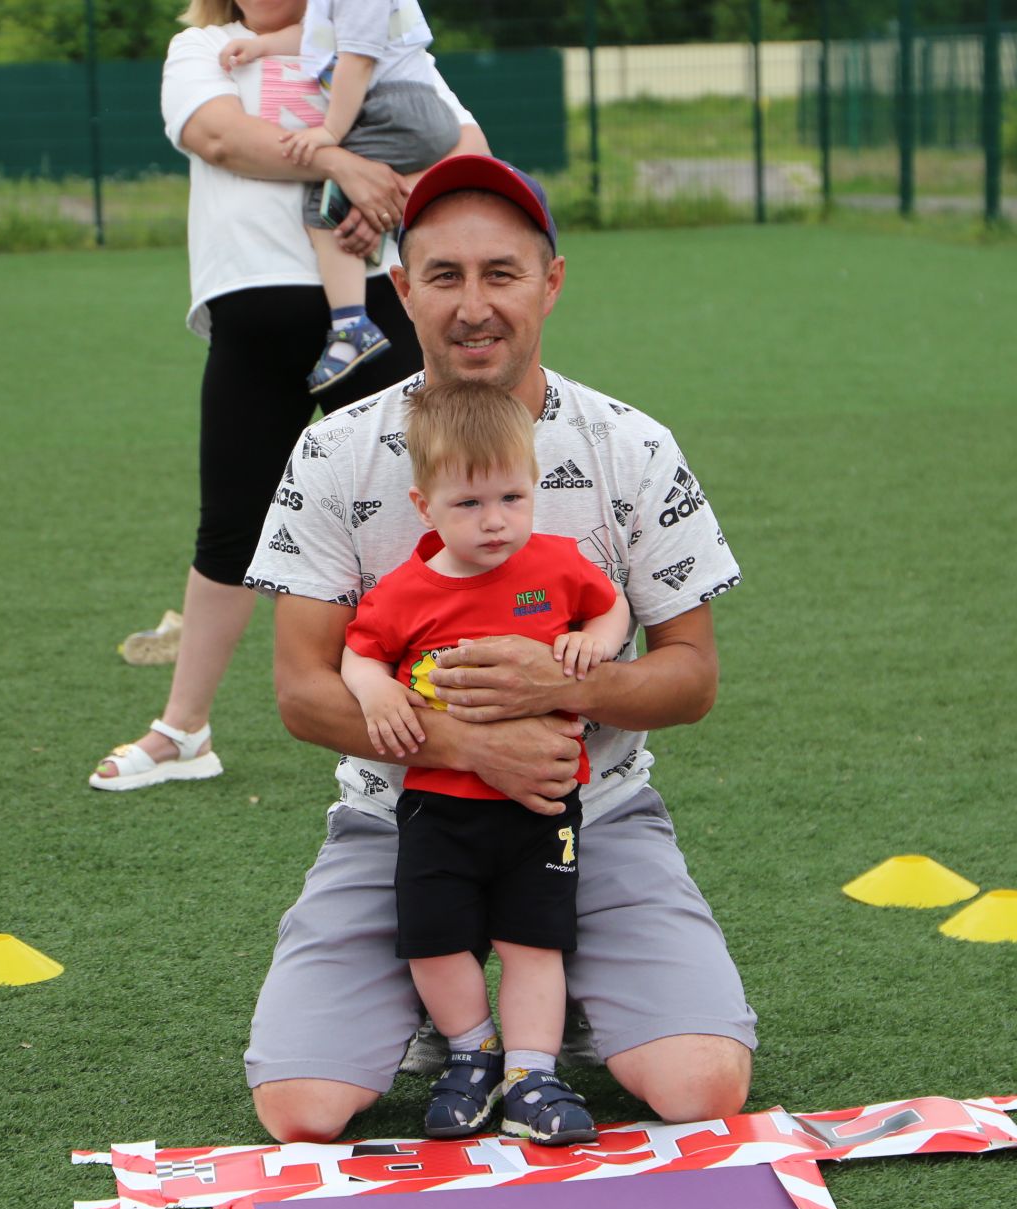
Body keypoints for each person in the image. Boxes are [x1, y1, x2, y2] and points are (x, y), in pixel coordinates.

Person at [239, 153, 756, 1144]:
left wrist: (576, 678)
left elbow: (691, 674)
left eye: (502, 273)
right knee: (300, 1104)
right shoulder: (336, 450)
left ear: (550, 281)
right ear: (401, 289)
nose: (475, 306)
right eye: (443, 276)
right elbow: (305, 692)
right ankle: (464, 1020)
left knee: (703, 1082)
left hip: (590, 815)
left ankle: (556, 1010)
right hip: (398, 819)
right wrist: (463, 744)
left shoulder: (629, 445)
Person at [90, 0, 485, 793]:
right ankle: (184, 730)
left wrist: (393, 188)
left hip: (380, 309)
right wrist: (341, 165)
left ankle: (447, 714)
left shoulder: (365, 32)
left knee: (429, 516)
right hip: (255, 317)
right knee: (232, 525)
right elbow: (219, 137)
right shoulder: (205, 46)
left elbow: (464, 147)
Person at [341, 381, 632, 1144]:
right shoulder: (407, 591)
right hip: (438, 808)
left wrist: (597, 641)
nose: (495, 520)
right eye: (469, 504)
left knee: (534, 941)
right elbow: (358, 651)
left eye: (512, 495)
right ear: (424, 504)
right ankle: (473, 1054)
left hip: (541, 806)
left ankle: (534, 1073)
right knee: (435, 940)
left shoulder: (557, 565)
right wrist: (375, 694)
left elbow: (610, 604)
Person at [215, 0, 459, 395]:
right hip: (401, 109)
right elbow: (317, 40)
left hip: (395, 108)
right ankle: (382, 240)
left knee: (322, 202)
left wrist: (330, 132)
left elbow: (356, 60)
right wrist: (261, 47)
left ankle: (351, 325)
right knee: (344, 193)